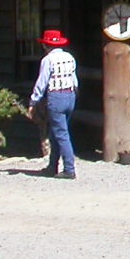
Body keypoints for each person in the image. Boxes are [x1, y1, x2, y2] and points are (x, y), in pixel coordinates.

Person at [29, 29, 79, 179]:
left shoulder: (48, 60)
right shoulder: (69, 57)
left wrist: (34, 100)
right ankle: (53, 166)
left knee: (61, 134)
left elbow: (42, 82)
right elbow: (74, 80)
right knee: (56, 132)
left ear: (46, 45)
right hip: (70, 95)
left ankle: (69, 168)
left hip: (56, 96)